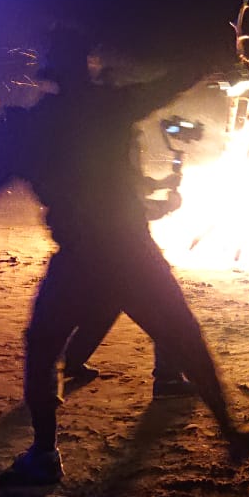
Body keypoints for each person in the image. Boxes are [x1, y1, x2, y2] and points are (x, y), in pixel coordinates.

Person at [0, 27, 249, 485]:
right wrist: (208, 59)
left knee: (44, 348)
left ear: (50, 73)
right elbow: (165, 87)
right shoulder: (110, 107)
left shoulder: (32, 125)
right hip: (130, 250)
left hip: (81, 257)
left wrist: (5, 138)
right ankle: (230, 433)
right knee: (183, 334)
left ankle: (44, 453)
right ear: (85, 66)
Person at [62, 133, 194, 397]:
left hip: (97, 249)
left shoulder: (98, 141)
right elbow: (125, 205)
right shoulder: (111, 144)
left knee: (104, 306)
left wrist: (162, 183)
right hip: (124, 251)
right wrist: (166, 205)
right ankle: (167, 379)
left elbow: (130, 186)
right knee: (165, 312)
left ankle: (70, 362)